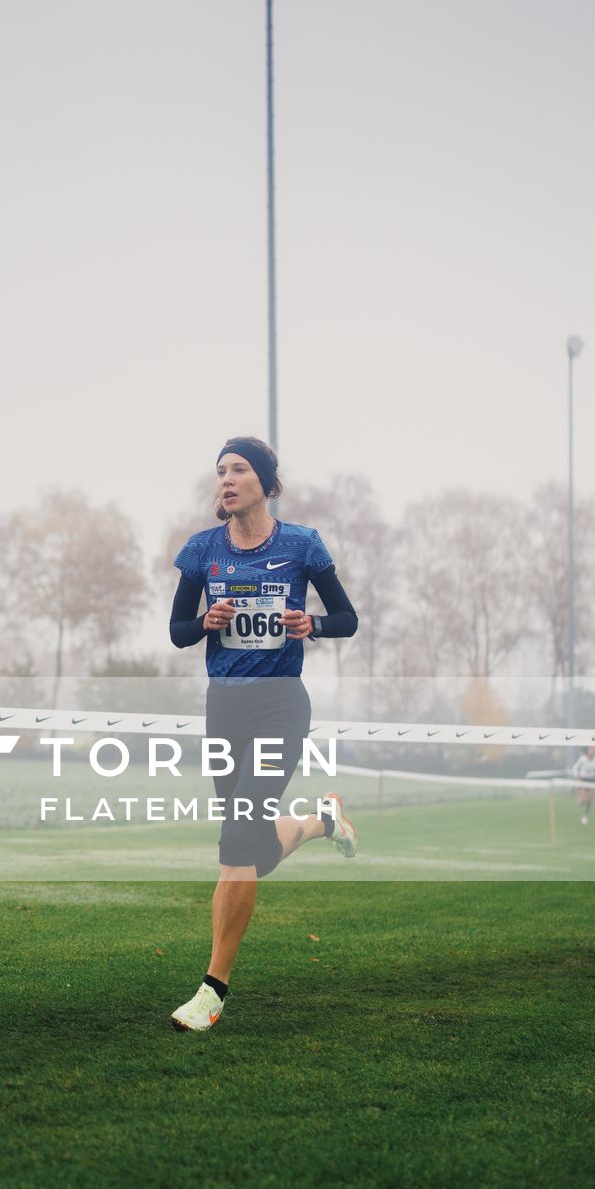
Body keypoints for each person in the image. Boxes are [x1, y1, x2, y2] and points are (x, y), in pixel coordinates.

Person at [165, 436, 359, 1033]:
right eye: (219, 471)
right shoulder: (202, 551)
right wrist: (206, 621)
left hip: (280, 705)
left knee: (237, 841)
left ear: (266, 483)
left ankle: (212, 991)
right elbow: (177, 631)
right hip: (225, 708)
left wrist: (312, 623)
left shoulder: (302, 545)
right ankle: (322, 822)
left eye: (239, 470)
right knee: (251, 849)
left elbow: (345, 618)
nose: (225, 479)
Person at [570, 745, 595, 824]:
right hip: (582, 779)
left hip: (591, 780)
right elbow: (575, 768)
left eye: (593, 749)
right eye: (590, 749)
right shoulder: (583, 758)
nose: (592, 751)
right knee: (583, 798)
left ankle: (585, 815)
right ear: (587, 750)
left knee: (589, 800)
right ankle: (581, 800)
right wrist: (577, 776)